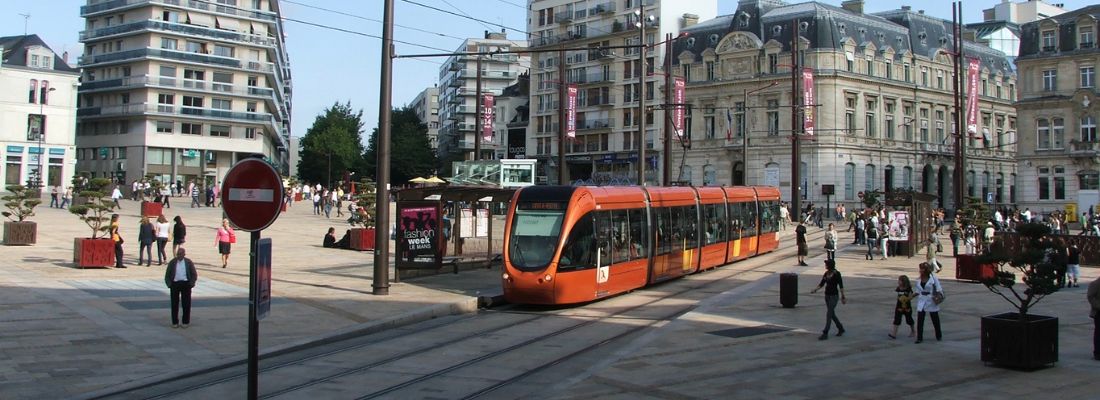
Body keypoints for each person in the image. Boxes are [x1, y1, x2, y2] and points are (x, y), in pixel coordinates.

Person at [811, 259, 846, 340]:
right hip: (827, 296)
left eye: (826, 264)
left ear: (830, 265)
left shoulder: (837, 274)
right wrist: (815, 289)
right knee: (832, 314)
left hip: (834, 296)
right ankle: (840, 328)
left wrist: (843, 296)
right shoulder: (826, 274)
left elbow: (841, 285)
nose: (825, 265)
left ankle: (825, 332)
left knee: (829, 313)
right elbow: (822, 284)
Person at [164, 247, 198, 329]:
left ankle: (185, 321)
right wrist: (169, 284)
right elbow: (167, 275)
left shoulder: (188, 262)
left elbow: (194, 274)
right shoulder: (172, 262)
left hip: (186, 284)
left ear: (184, 255)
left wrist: (191, 283)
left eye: (180, 254)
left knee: (186, 304)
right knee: (174, 304)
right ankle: (175, 322)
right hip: (175, 284)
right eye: (178, 254)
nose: (179, 256)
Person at [913, 262, 943, 344]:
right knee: (920, 319)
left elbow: (938, 288)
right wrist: (911, 297)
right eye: (920, 268)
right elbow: (918, 290)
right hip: (922, 299)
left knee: (935, 318)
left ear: (926, 270)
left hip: (931, 299)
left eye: (922, 269)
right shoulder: (919, 279)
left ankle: (938, 335)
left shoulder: (933, 278)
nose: (921, 270)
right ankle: (919, 337)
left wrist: (938, 295)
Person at [889, 275, 915, 339]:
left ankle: (913, 331)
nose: (898, 282)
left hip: (907, 307)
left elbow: (911, 296)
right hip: (899, 306)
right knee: (897, 319)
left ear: (904, 282)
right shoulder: (898, 288)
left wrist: (907, 299)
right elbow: (898, 296)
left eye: (899, 281)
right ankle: (894, 334)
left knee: (909, 320)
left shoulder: (908, 288)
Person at [1088, 275, 1100, 360]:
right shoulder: (1096, 283)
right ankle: (1098, 353)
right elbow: (1090, 297)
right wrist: (1098, 306)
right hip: (1099, 312)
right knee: (1099, 333)